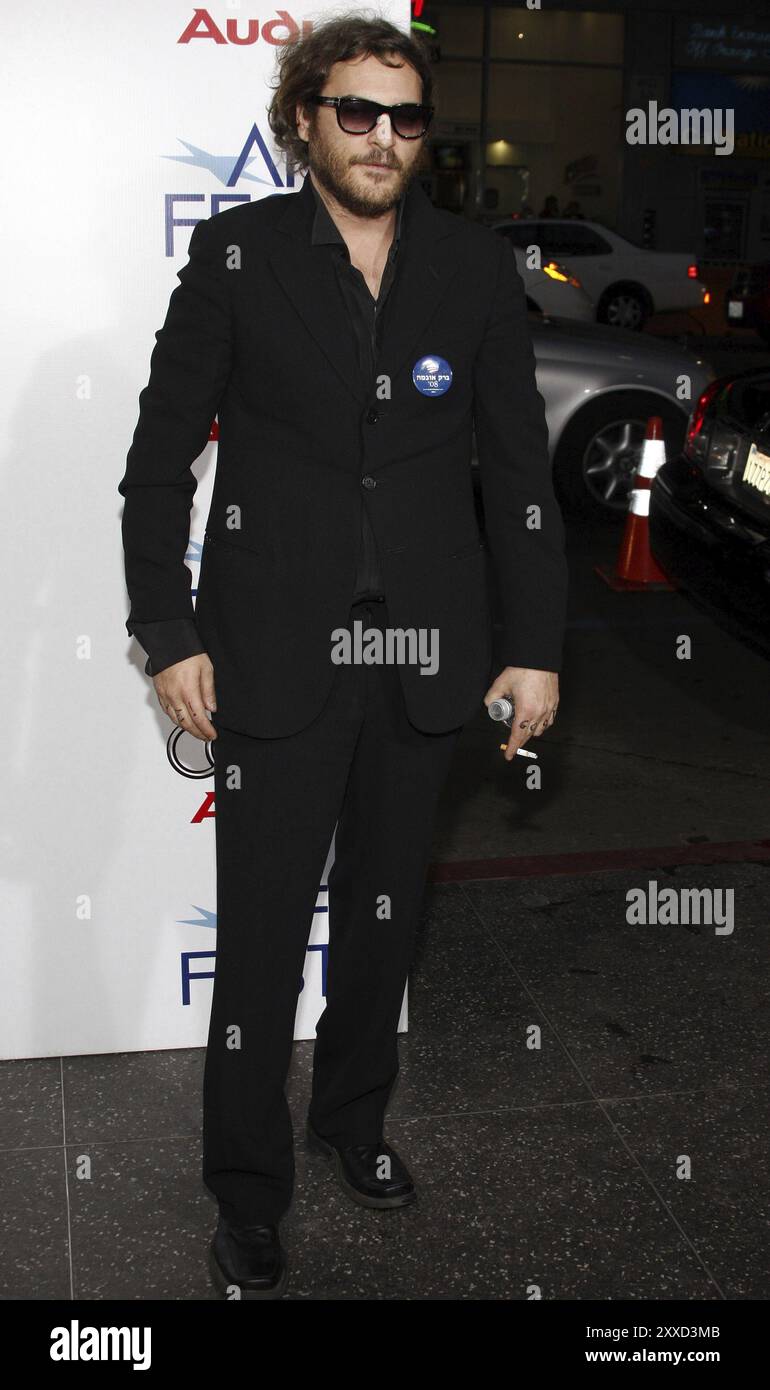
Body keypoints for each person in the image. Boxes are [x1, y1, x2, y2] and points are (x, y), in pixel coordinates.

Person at [118, 13, 567, 1300]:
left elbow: (520, 480)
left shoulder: (474, 268)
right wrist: (166, 629)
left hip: (427, 663)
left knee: (381, 926)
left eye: (407, 116)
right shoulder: (238, 255)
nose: (383, 137)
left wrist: (533, 649)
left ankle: (351, 1124)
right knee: (259, 941)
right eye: (357, 112)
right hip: (271, 655)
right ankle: (247, 1193)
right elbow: (158, 464)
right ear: (303, 117)